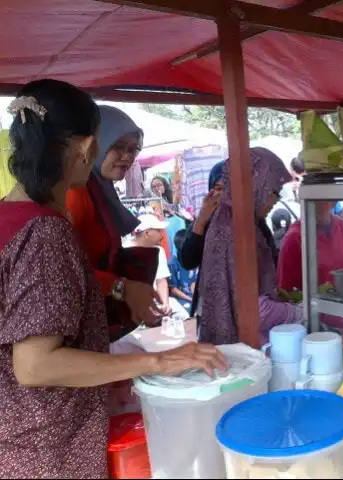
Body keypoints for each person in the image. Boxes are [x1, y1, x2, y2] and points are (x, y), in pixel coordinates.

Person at [0, 79, 227, 479]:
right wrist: (161, 360)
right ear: (88, 146)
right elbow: (34, 366)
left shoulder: (8, 216)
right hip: (46, 449)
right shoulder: (46, 232)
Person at [66, 105, 161, 334]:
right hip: (72, 323)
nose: (127, 156)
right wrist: (123, 288)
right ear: (94, 145)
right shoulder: (76, 192)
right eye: (117, 146)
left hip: (90, 316)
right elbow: (64, 268)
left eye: (133, 149)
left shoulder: (100, 189)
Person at [199, 148, 304, 345]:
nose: (276, 199)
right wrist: (299, 312)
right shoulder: (240, 232)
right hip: (245, 346)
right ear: (256, 186)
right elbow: (255, 310)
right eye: (274, 191)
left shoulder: (231, 220)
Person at [277, 201, 343, 330]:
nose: (315, 205)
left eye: (321, 200)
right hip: (314, 324)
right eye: (310, 201)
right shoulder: (294, 238)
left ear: (333, 202)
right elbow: (284, 291)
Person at [178, 161, 225, 316]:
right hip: (210, 304)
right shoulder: (203, 222)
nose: (223, 195)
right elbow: (188, 260)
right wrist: (202, 219)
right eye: (218, 189)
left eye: (229, 189)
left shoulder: (251, 221)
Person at [126, 214, 173, 316]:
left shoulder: (159, 251)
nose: (162, 235)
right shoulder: (124, 251)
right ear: (147, 233)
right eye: (159, 231)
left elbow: (161, 281)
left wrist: (165, 304)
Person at [170, 229, 197, 312]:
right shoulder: (172, 264)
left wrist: (195, 298)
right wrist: (190, 299)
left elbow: (194, 283)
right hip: (181, 299)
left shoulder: (196, 261)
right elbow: (173, 289)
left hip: (194, 297)